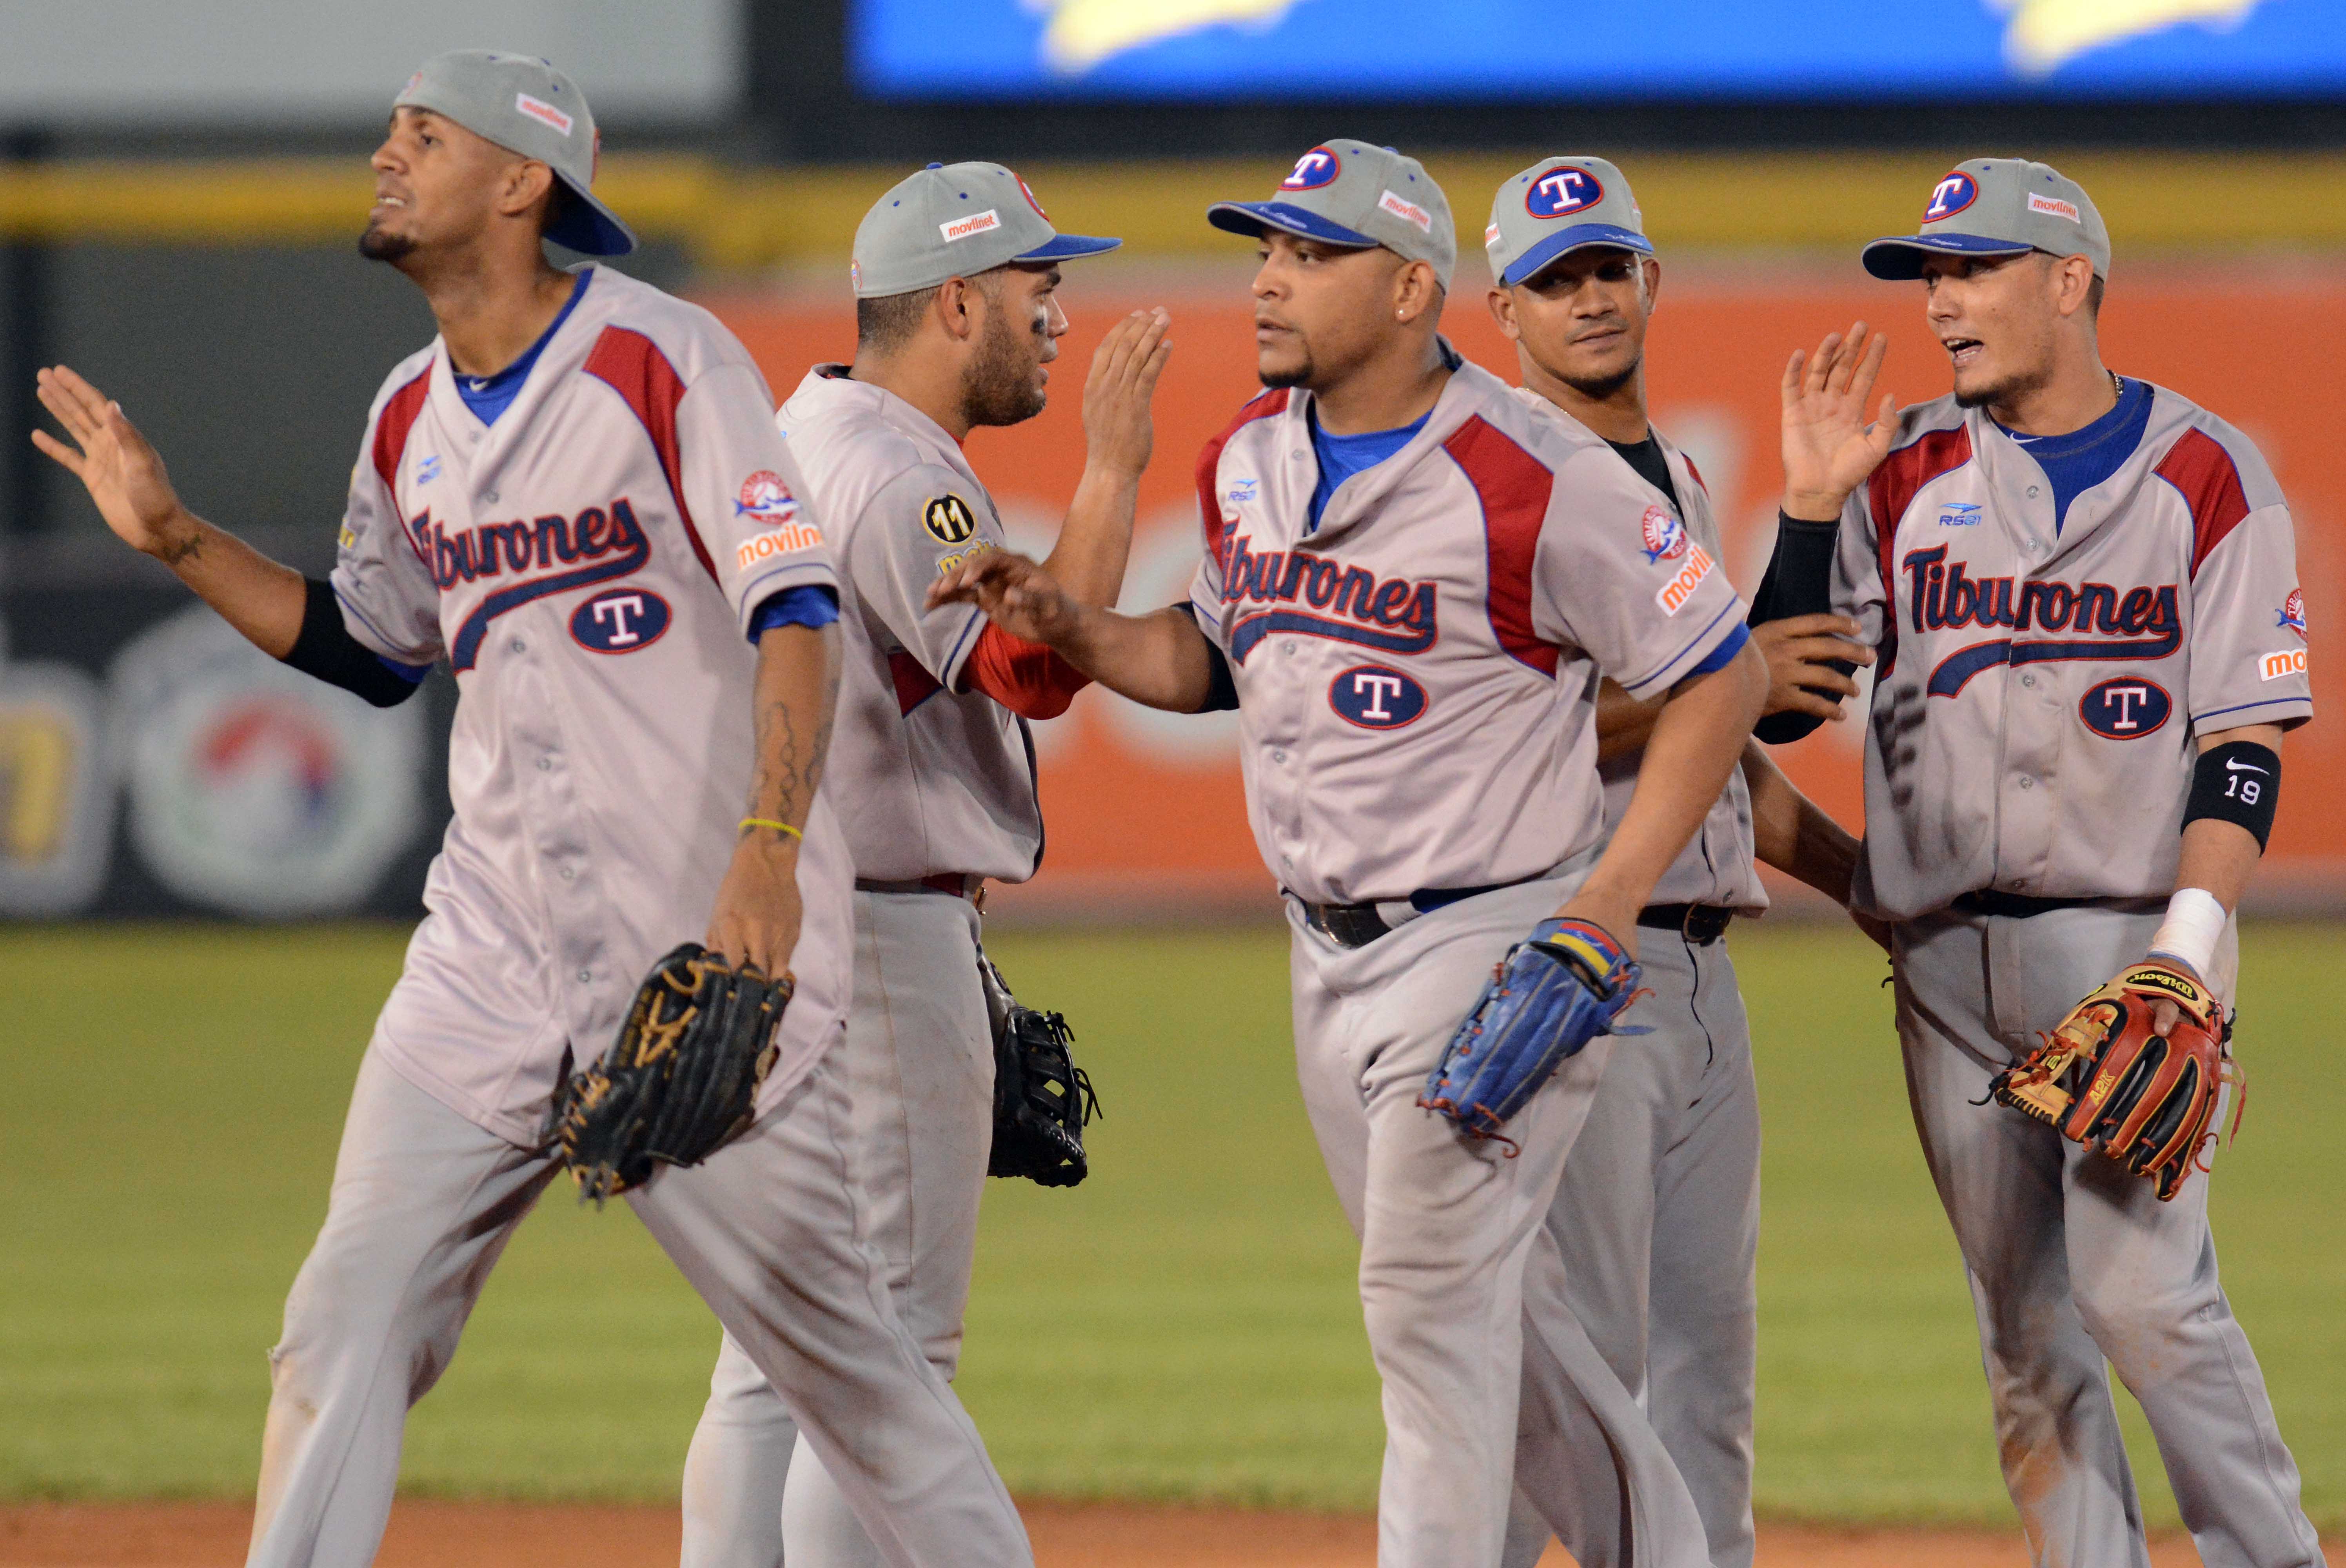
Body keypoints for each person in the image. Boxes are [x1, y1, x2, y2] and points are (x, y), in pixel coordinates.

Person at [33, 53, 1033, 1568]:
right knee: (339, 1329)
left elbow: (797, 610)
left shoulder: (663, 360)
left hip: (696, 956)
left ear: (521, 180)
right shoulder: (403, 419)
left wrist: (769, 856)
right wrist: (176, 537)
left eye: (421, 139)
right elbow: (371, 648)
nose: (385, 156)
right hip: (488, 952)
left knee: (857, 1378)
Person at [931, 139, 1768, 1568]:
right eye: (1267, 247)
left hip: (1491, 942)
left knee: (1423, 1312)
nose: (1267, 277)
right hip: (1321, 959)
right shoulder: (1250, 453)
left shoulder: (1535, 472)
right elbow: (1211, 660)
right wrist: (1077, 632)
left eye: (1309, 255)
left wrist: (1610, 905)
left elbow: (1723, 675)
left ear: (1408, 291)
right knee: (1506, 1335)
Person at [1755, 157, 2323, 1568]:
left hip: (2134, 943)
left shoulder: (2206, 473)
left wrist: (2185, 966)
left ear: (2070, 282)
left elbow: (2243, 744)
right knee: (2025, 1332)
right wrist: (1812, 510)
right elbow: (1773, 702)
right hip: (1944, 961)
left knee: (2146, 1302)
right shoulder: (1897, 471)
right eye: (1930, 276)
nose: (1941, 302)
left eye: (1974, 271)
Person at [675, 161, 1170, 1568]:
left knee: (772, 1355)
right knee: (889, 1356)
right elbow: (1032, 663)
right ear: (959, 300)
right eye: (1038, 284)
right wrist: (1116, 464)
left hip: (785, 930)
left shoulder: (800, 432)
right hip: (877, 941)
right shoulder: (895, 474)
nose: (1060, 314)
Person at [1476, 156, 1874, 1568]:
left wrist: (1865, 885)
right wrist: (1736, 675)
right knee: (1575, 1379)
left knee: (1711, 1369)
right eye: (1555, 279)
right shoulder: (1499, 476)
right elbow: (1504, 735)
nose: (1588, 299)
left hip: (1707, 978)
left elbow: (1731, 744)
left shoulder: (1678, 473)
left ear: (1650, 280)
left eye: (1607, 269)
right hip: (1582, 956)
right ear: (1500, 308)